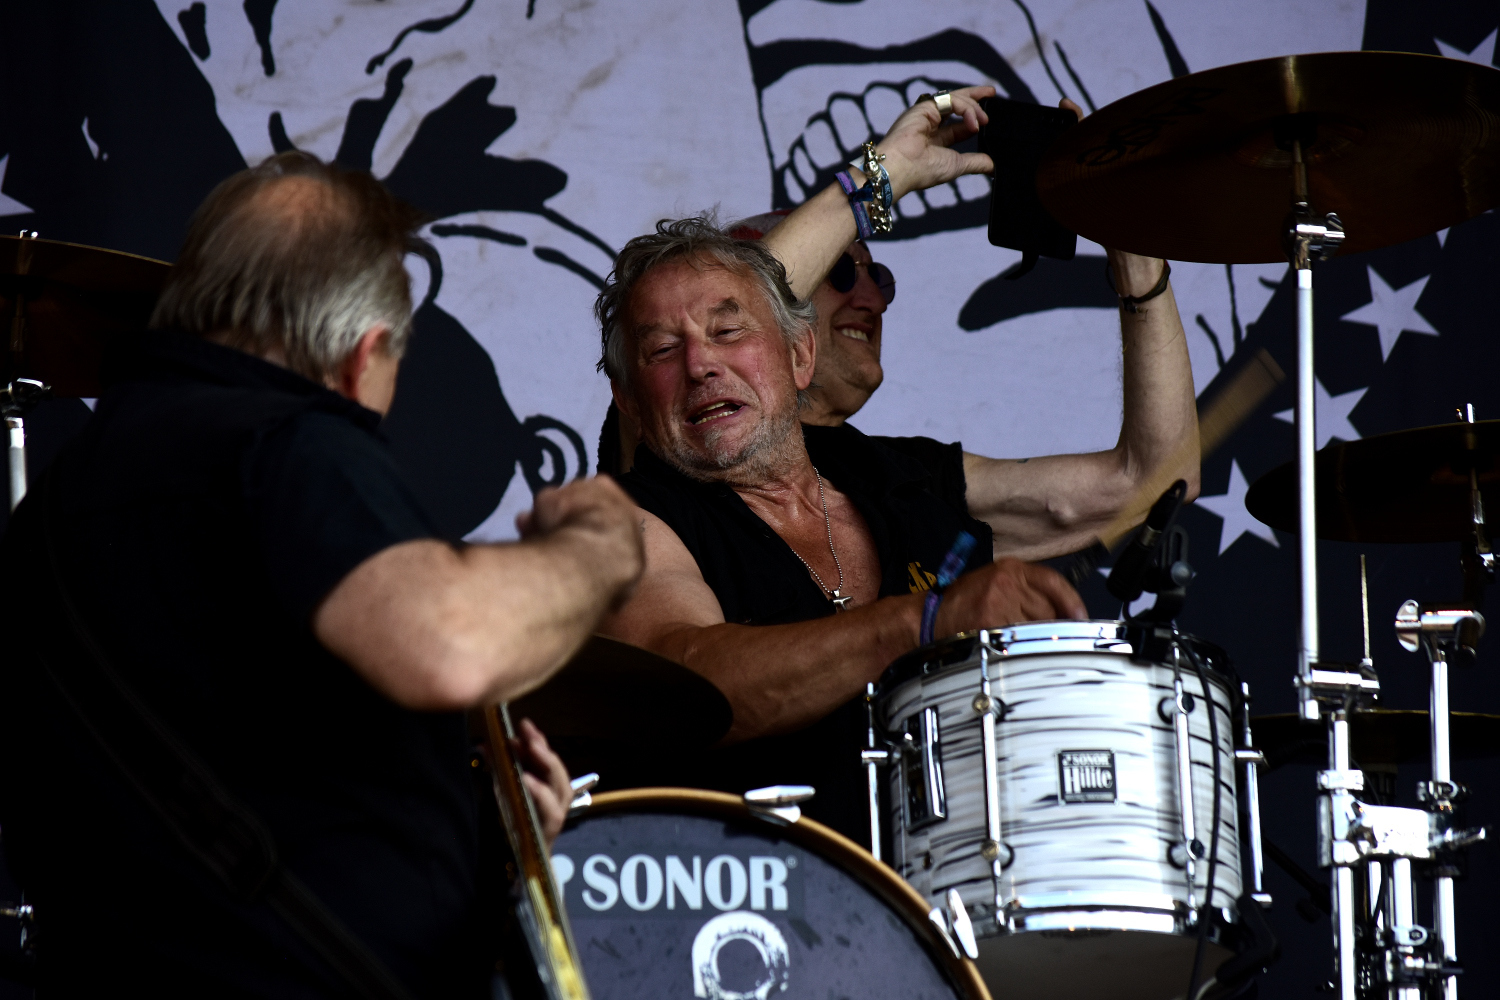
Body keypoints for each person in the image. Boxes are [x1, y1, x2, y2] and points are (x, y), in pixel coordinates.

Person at [0, 152, 644, 998]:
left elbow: (227, 797)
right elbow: (450, 644)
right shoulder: (291, 444)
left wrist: (470, 841)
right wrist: (597, 544)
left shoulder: (53, 507)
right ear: (360, 354)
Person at [593, 87, 1197, 844]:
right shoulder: (631, 508)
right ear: (628, 396)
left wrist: (1134, 246)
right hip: (767, 896)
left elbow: (1155, 482)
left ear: (800, 354)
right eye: (663, 350)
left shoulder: (899, 478)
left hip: (956, 896)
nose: (701, 364)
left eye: (728, 334)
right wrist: (880, 177)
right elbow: (687, 681)